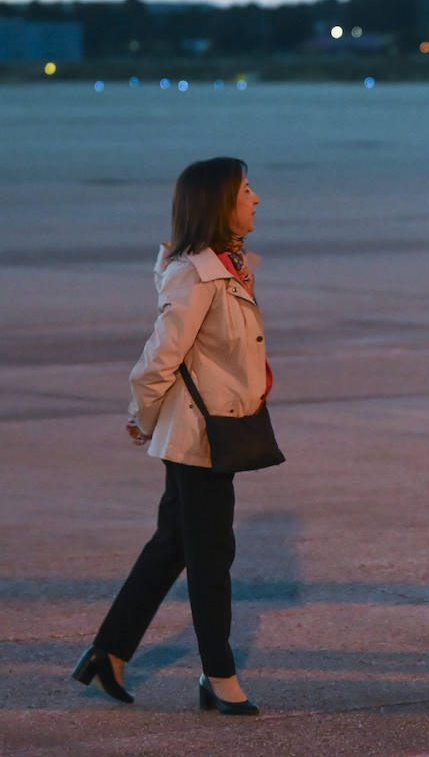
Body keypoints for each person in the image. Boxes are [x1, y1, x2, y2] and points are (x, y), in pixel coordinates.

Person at [72, 157, 268, 715]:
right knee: (211, 555)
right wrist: (142, 415)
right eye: (247, 190)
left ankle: (109, 651)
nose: (257, 199)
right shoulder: (197, 273)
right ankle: (220, 676)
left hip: (211, 425)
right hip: (201, 436)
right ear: (218, 203)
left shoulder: (226, 266)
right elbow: (160, 355)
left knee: (174, 543)